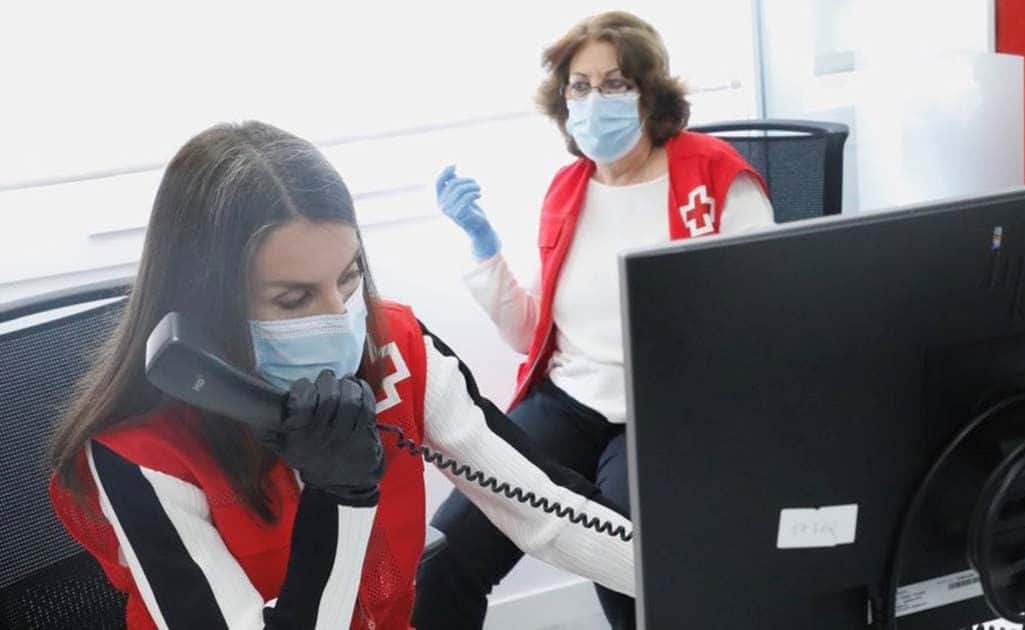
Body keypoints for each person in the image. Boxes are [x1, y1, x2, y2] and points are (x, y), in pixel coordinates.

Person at [47, 121, 633, 630]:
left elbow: (546, 512)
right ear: (207, 304)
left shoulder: (396, 351)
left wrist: (695, 578)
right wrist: (339, 496)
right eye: (294, 298)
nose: (338, 320)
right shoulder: (140, 451)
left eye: (348, 278)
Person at [417, 11, 773, 629]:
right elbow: (535, 334)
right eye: (579, 86)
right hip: (570, 403)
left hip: (667, 413)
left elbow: (764, 323)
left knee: (629, 564)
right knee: (447, 560)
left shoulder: (716, 177)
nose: (593, 100)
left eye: (614, 83)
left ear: (649, 92)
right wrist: (483, 249)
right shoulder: (568, 189)